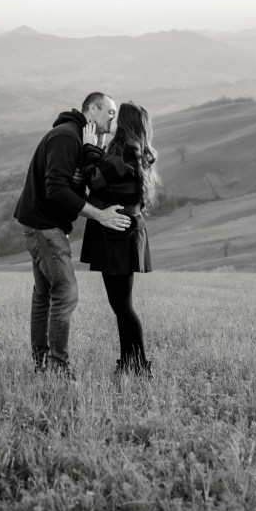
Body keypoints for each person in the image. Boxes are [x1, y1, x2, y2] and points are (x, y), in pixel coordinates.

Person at [14, 92, 131, 376]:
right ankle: (58, 368)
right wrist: (100, 215)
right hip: (44, 226)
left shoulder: (78, 138)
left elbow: (82, 184)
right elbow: (56, 190)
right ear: (92, 109)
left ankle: (43, 363)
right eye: (110, 112)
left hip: (43, 224)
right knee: (66, 293)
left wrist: (95, 149)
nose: (113, 118)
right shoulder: (67, 137)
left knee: (44, 293)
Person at [80, 101, 159, 378]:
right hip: (123, 233)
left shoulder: (124, 154)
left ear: (124, 124)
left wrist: (89, 147)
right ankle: (128, 362)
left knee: (122, 306)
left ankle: (139, 365)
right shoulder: (134, 152)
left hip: (117, 235)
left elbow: (94, 179)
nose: (111, 119)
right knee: (121, 305)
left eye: (116, 116)